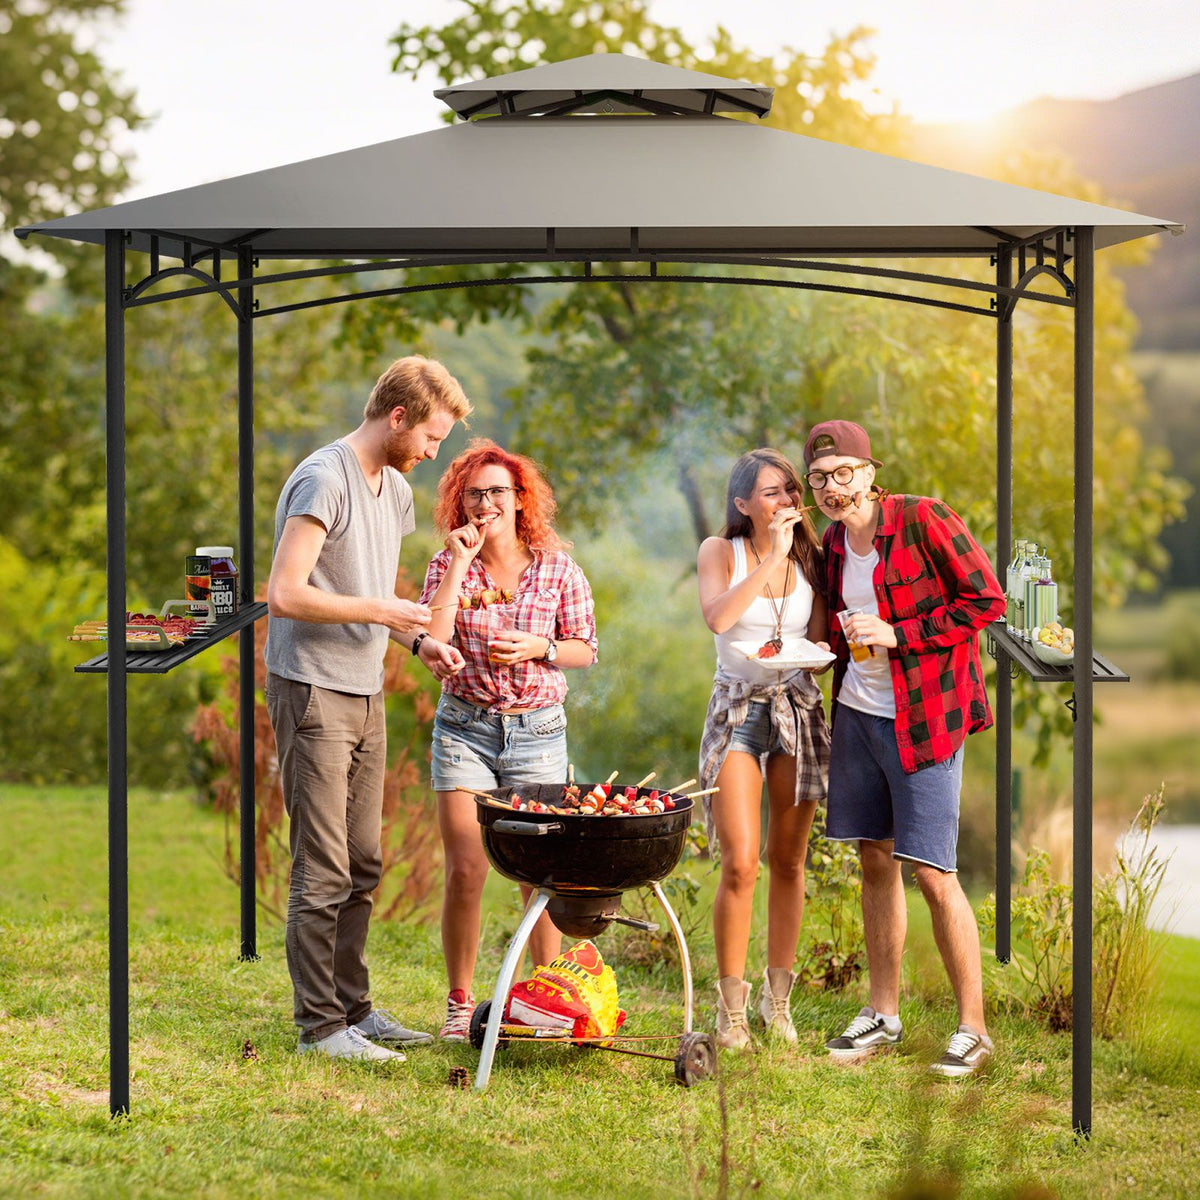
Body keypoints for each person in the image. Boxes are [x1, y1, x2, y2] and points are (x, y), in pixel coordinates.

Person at [265, 355, 473, 1062]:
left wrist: (415, 642)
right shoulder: (325, 478)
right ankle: (319, 1028)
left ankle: (354, 1010)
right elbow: (286, 593)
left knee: (362, 860)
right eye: (431, 437)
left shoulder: (395, 491)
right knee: (321, 864)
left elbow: (368, 592)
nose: (431, 452)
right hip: (312, 686)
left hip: (364, 686)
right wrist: (385, 608)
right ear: (397, 417)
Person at [804, 419, 1005, 1077]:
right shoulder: (833, 546)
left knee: (932, 872)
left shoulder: (924, 520)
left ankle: (973, 1029)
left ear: (869, 470)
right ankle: (883, 1014)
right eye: (819, 480)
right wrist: (804, 653)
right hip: (860, 714)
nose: (833, 488)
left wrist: (901, 633)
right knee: (874, 858)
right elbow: (840, 634)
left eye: (842, 474)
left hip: (926, 719)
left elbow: (986, 601)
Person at [418, 439, 598, 1041]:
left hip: (538, 731)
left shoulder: (557, 567)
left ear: (520, 499)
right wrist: (461, 564)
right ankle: (460, 1004)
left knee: (539, 875)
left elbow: (584, 648)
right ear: (460, 501)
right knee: (467, 868)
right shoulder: (448, 564)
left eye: (498, 491)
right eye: (475, 493)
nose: (487, 502)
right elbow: (431, 638)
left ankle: (542, 1003)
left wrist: (538, 647)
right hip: (464, 727)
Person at [696, 449, 832, 1049]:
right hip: (738, 712)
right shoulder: (719, 552)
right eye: (771, 494)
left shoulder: (813, 557)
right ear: (743, 503)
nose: (785, 503)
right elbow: (719, 620)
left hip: (797, 706)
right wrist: (771, 556)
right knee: (740, 860)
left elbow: (820, 640)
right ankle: (731, 1012)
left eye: (789, 491)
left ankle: (780, 1005)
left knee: (790, 859)